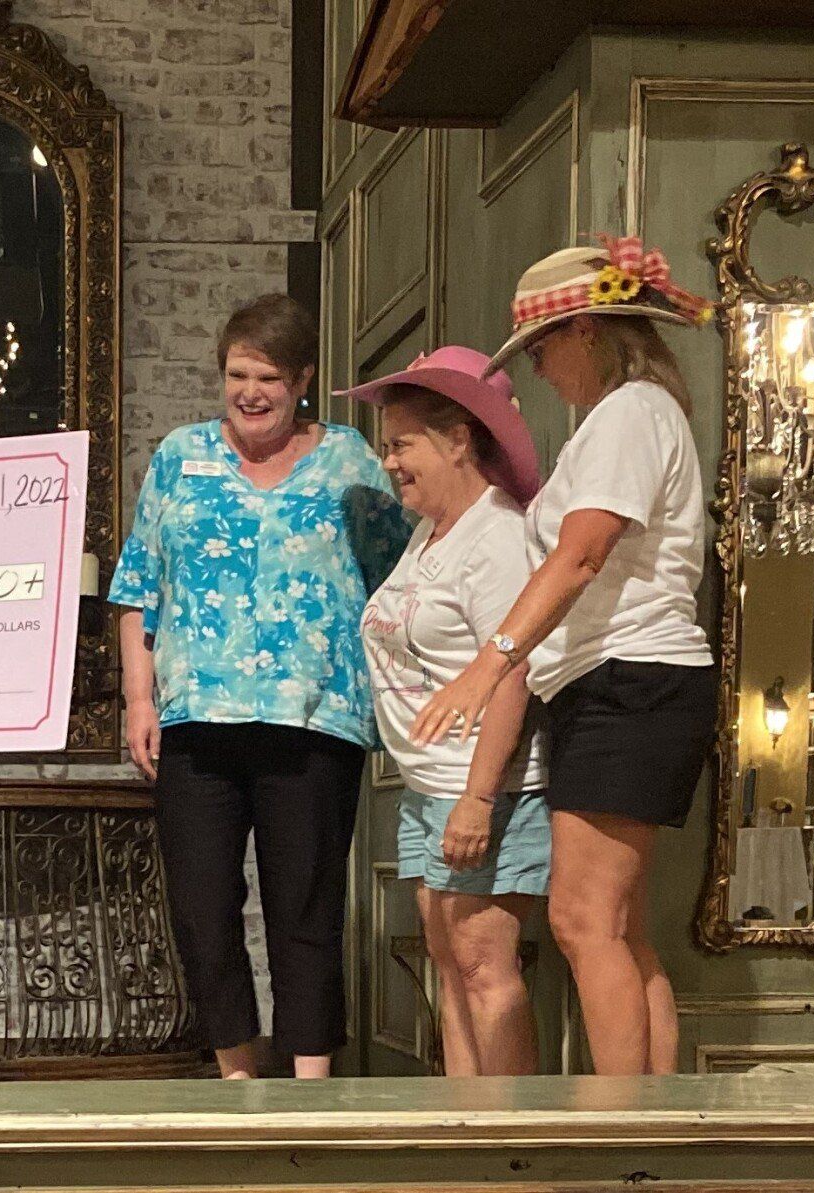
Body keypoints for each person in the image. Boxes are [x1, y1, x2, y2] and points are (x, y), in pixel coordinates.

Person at [412, 237, 716, 1075]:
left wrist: (490, 661)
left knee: (584, 921)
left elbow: (580, 555)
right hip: (624, 683)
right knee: (619, 925)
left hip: (631, 680)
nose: (540, 370)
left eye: (541, 349)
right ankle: (651, 1129)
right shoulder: (634, 415)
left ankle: (619, 1140)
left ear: (584, 331)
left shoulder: (629, 413)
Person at [109, 293, 410, 1079]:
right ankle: (238, 1079)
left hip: (313, 721)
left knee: (304, 909)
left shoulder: (348, 459)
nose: (250, 390)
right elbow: (140, 583)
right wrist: (140, 700)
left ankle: (310, 1087)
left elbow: (403, 575)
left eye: (269, 376)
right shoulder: (181, 456)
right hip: (196, 721)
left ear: (303, 377)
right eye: (237, 373)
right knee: (203, 910)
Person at [343, 346, 550, 1077]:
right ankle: (468, 1127)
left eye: (401, 444)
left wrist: (477, 797)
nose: (389, 462)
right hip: (432, 786)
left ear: (459, 438)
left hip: (482, 786)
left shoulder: (494, 536)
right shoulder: (434, 532)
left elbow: (514, 669)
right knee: (450, 960)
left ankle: (517, 1154)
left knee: (484, 965)